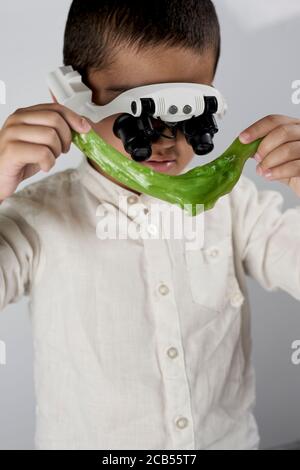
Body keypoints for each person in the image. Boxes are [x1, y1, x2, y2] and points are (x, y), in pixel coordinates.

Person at [0, 0, 299, 450]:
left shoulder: (236, 206)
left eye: (189, 112)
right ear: (69, 95)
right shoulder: (38, 217)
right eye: (136, 117)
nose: (163, 138)